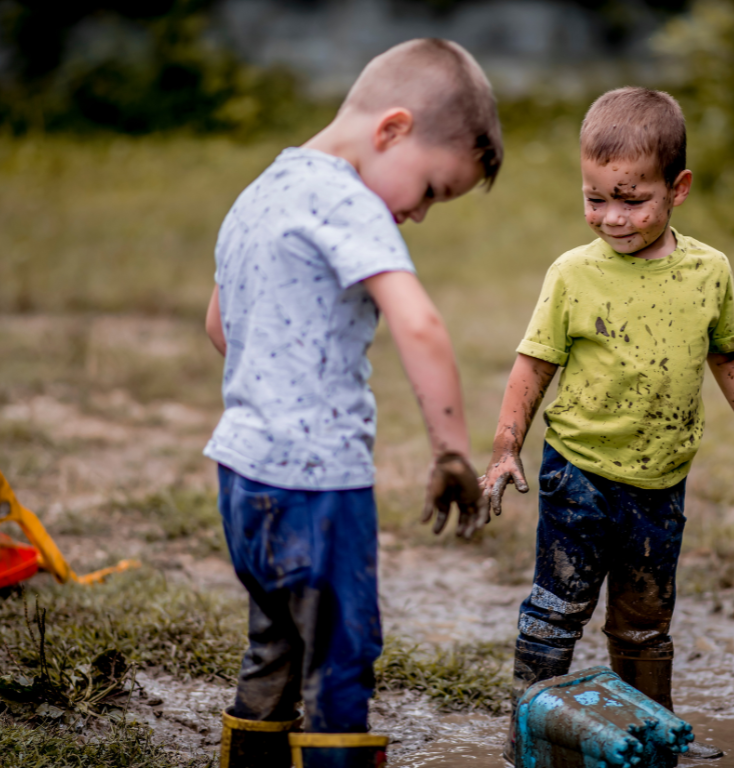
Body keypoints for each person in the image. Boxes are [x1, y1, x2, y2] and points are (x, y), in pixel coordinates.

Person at [481, 87, 734, 762]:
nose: (610, 217)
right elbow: (532, 364)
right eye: (594, 198)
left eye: (631, 199)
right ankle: (531, 731)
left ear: (678, 188)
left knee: (643, 625)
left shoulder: (707, 273)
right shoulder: (573, 275)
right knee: (556, 610)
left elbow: (731, 356)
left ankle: (652, 734)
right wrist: (505, 448)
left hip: (660, 484)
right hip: (576, 472)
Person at [203, 38, 499, 768]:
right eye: (432, 188)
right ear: (392, 130)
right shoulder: (350, 198)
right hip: (319, 488)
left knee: (272, 644)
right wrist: (450, 450)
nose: (423, 213)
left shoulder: (260, 190)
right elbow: (419, 323)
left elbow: (219, 327)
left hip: (242, 479)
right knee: (340, 656)